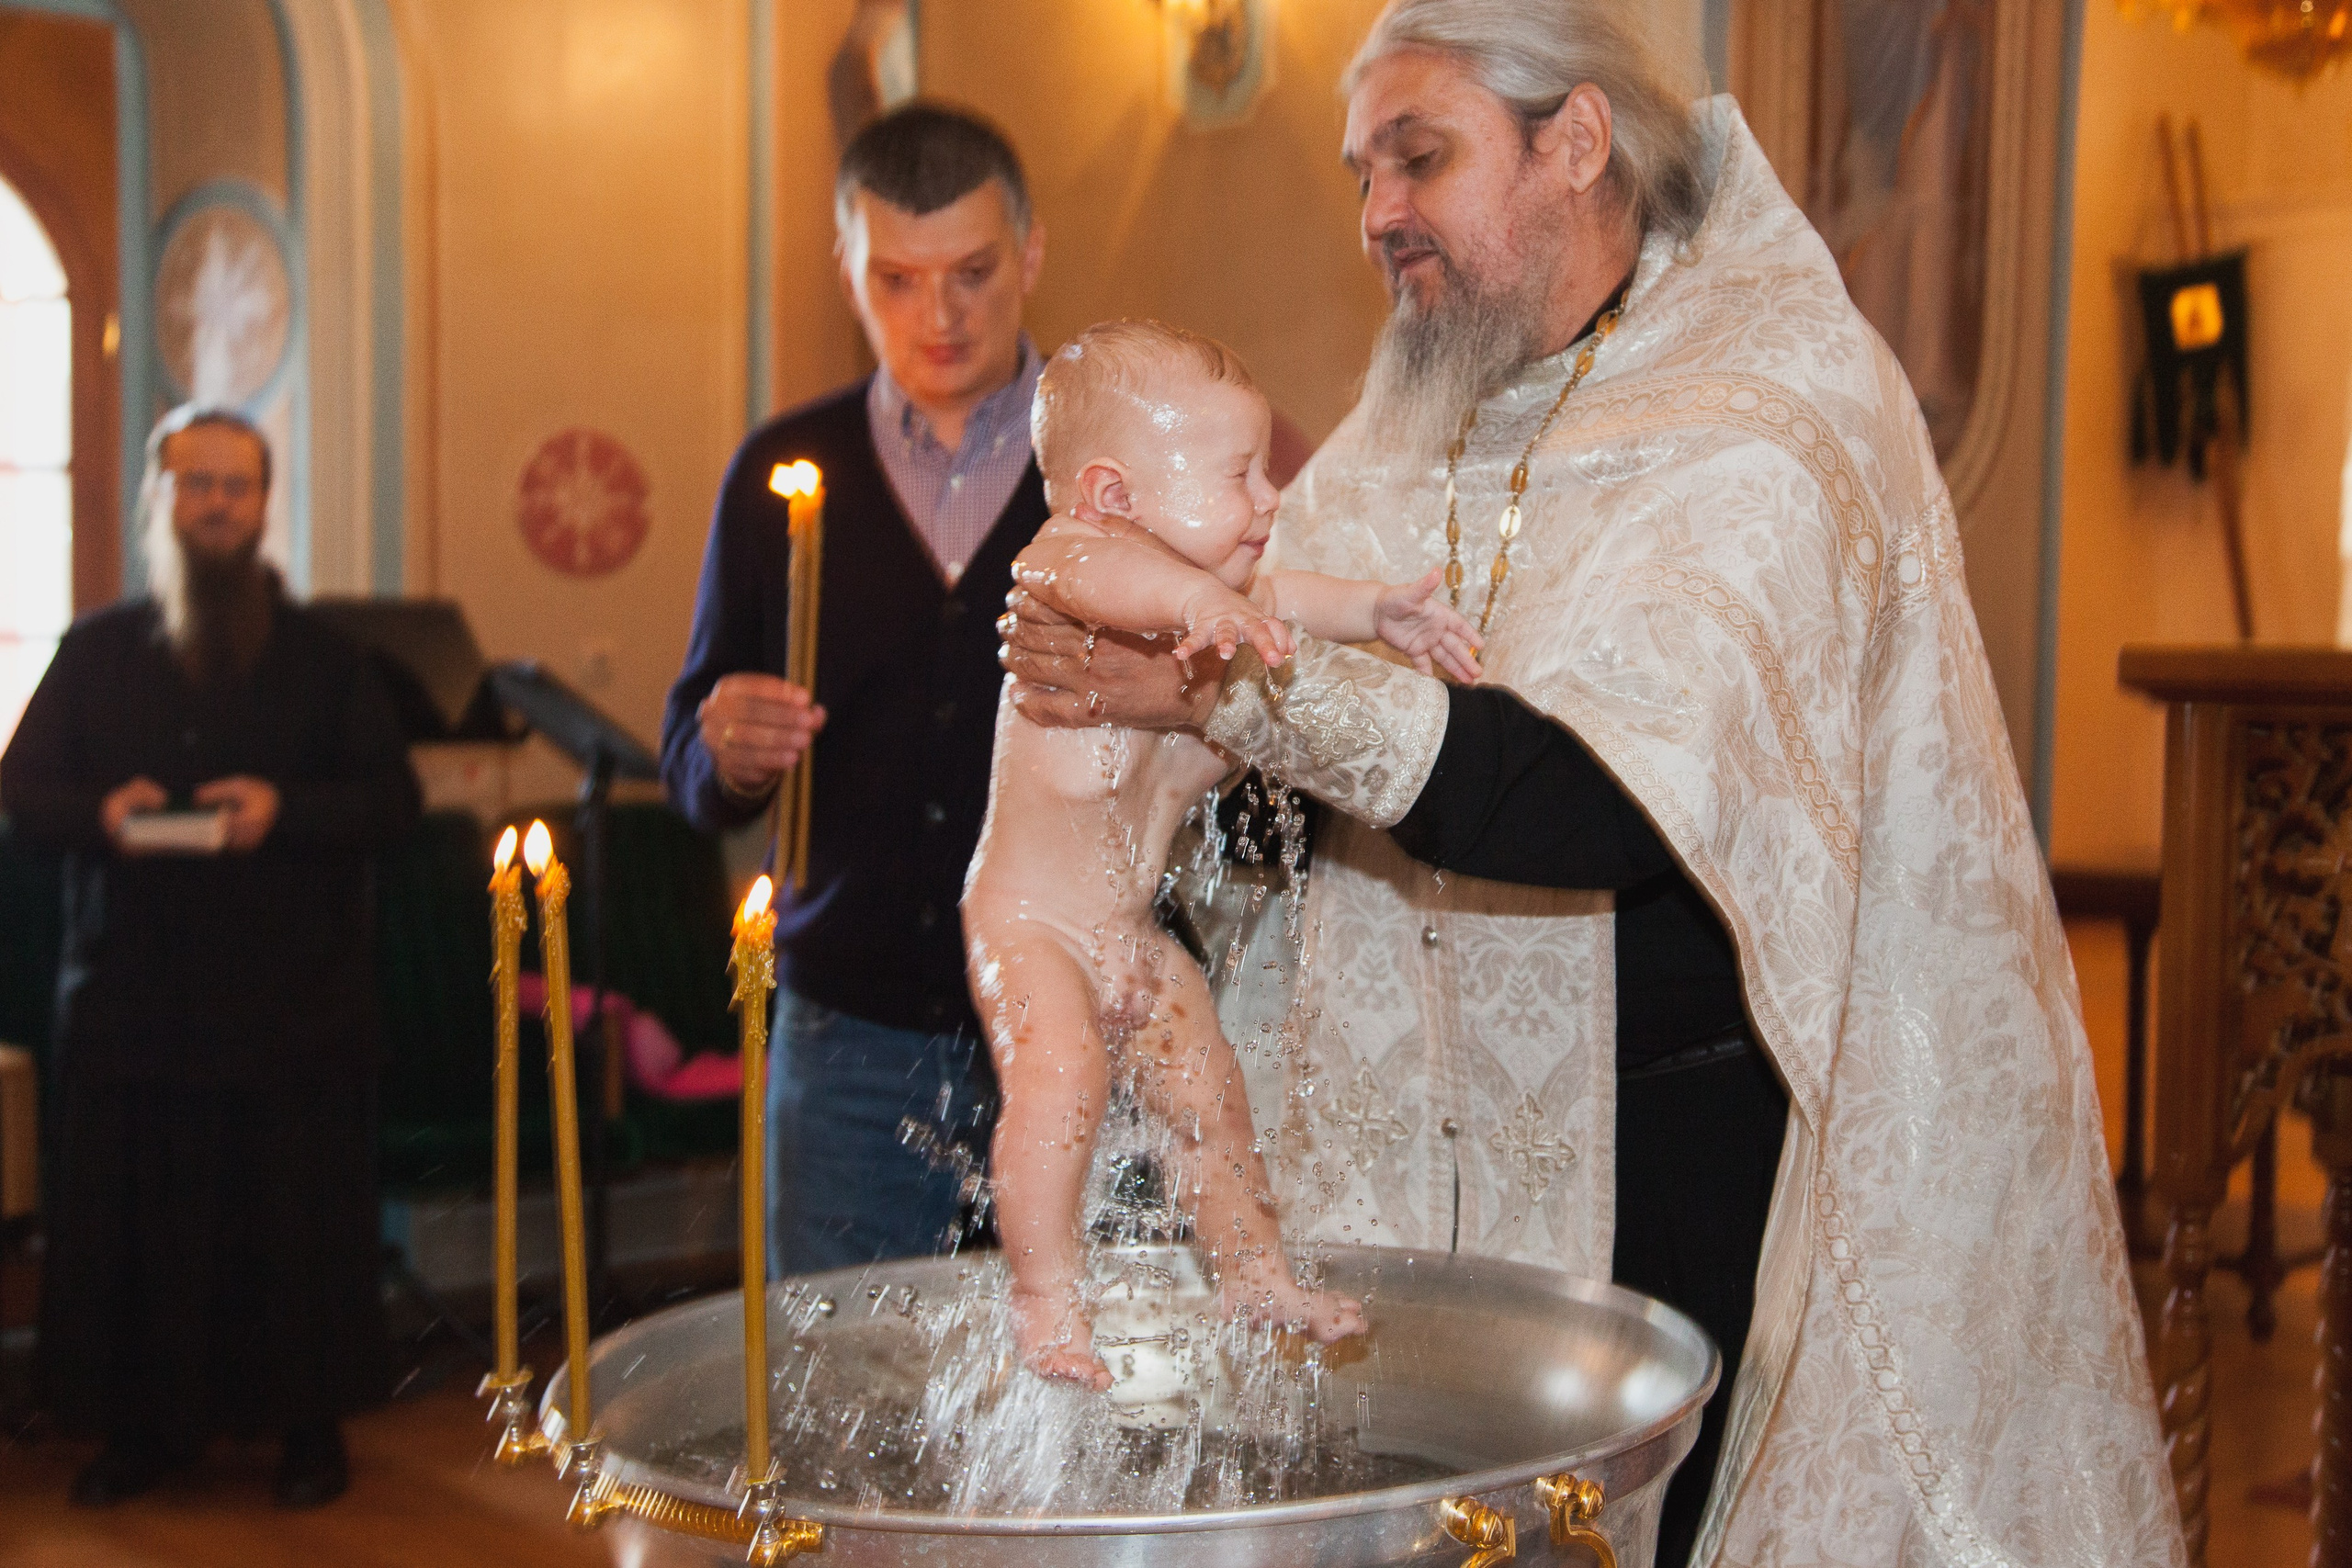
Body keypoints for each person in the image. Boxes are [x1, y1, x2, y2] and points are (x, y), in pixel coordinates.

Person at [998, 2, 2185, 1563]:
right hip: (1386, 1174)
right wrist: (1123, 726)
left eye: (1420, 159)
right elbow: (1263, 794)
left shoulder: (1779, 402)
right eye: (1361, 173)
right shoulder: (1398, 421)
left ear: (1576, 141)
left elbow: (1606, 797)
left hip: (1677, 1178)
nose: (1377, 216)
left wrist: (1224, 682)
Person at [967, 320, 1480, 1383]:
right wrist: (1204, 602)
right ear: (1113, 494)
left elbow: (1287, 601)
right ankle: (1044, 1300)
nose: (1268, 497)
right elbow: (1124, 586)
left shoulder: (1206, 590)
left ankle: (1253, 1272)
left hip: (1124, 929)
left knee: (1209, 1093)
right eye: (1238, 475)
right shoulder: (1065, 561)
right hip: (1030, 924)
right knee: (1059, 1082)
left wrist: (1381, 613)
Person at [1, 404, 420, 1509]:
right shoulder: (95, 652)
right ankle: (145, 1431)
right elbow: (23, 799)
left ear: (263, 502)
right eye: (198, 485)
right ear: (160, 499)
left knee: (288, 1228)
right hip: (135, 1003)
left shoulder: (331, 659)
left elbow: (392, 802)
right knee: (143, 1229)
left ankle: (307, 1434)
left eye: (238, 486)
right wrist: (104, 810)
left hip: (290, 1008)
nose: (219, 505)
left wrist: (283, 807)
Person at [662, 103, 1052, 1274]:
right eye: (897, 278)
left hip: (1076, 1027)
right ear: (846, 273)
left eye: (975, 273)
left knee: (1086, 1415)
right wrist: (723, 749)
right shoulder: (780, 473)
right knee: (847, 1405)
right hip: (850, 1038)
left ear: (1031, 254)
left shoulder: (1107, 460)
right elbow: (688, 762)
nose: (940, 315)